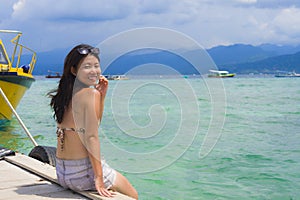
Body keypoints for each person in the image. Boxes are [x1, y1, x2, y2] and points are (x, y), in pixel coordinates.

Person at [48, 44, 138, 199]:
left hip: (63, 173)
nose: (94, 71)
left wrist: (101, 97)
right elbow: (91, 137)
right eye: (87, 66)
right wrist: (99, 178)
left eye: (96, 66)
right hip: (82, 174)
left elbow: (93, 125)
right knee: (133, 195)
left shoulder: (66, 95)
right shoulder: (89, 94)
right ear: (74, 70)